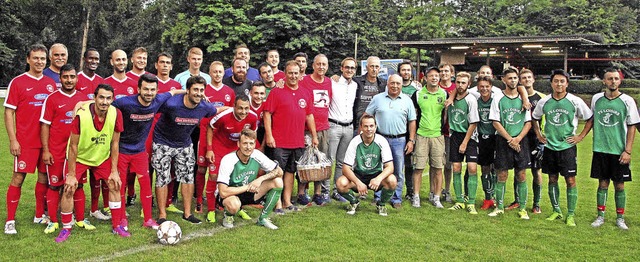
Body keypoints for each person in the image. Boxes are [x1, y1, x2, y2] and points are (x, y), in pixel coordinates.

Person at [55, 84, 128, 242]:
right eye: (101, 97)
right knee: (69, 188)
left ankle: (117, 226)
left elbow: (115, 143)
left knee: (115, 184)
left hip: (101, 157)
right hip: (80, 156)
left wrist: (114, 170)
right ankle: (66, 227)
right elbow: (73, 145)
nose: (104, 101)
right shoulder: (81, 115)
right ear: (94, 98)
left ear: (112, 99)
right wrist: (72, 174)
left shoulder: (116, 114)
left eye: (108, 98)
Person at [112, 73, 184, 230]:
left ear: (157, 90)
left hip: (140, 151)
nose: (149, 93)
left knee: (145, 184)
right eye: (145, 89)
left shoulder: (158, 100)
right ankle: (122, 218)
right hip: (122, 150)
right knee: (121, 185)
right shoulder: (125, 103)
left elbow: (173, 92)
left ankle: (148, 219)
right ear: (138, 89)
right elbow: (104, 104)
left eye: (152, 89)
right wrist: (85, 102)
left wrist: (187, 92)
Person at [152, 76, 221, 225]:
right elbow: (154, 104)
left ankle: (188, 213)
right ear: (187, 90)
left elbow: (216, 111)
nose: (198, 93)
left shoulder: (205, 107)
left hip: (184, 143)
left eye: (201, 90)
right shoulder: (172, 104)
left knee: (188, 177)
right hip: (162, 141)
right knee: (162, 177)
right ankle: (162, 215)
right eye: (195, 89)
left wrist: (231, 108)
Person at [4, 44, 56, 235]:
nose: (39, 62)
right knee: (18, 178)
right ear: (28, 59)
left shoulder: (50, 84)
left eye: (43, 59)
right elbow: (9, 112)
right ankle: (10, 220)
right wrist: (13, 140)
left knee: (44, 177)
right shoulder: (17, 82)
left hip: (46, 142)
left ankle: (38, 214)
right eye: (35, 58)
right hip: (25, 142)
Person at [531, 69, 592, 226]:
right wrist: (538, 135)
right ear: (551, 83)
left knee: (570, 180)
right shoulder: (544, 102)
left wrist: (580, 136)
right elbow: (534, 118)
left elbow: (590, 118)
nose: (559, 84)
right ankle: (556, 210)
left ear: (567, 83)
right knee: (552, 178)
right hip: (550, 146)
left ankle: (570, 214)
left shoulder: (575, 101)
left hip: (567, 146)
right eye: (556, 81)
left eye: (562, 81)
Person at [40, 64, 92, 234]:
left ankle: (79, 219)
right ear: (60, 79)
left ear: (77, 79)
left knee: (78, 186)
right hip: (56, 151)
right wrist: (46, 150)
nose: (69, 80)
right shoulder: (52, 99)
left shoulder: (84, 99)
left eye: (72, 77)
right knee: (54, 185)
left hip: (77, 152)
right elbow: (45, 126)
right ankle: (53, 221)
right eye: (65, 77)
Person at [587, 68, 639, 230]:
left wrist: (628, 151)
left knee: (619, 185)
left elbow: (632, 126)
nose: (613, 82)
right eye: (610, 79)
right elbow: (592, 120)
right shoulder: (596, 99)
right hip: (600, 149)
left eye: (616, 79)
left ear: (620, 81)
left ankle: (620, 218)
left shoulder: (628, 101)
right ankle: (600, 216)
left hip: (619, 151)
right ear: (604, 81)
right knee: (602, 184)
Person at [264, 60, 318, 211]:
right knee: (277, 173)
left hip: (297, 141)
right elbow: (267, 114)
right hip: (280, 141)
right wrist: (269, 135)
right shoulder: (276, 92)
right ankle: (277, 203)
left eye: (296, 73)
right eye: (290, 73)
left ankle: (287, 201)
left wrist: (314, 136)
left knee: (290, 172)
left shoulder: (305, 93)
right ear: (285, 74)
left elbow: (309, 116)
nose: (293, 76)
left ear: (300, 74)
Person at [365, 74, 416, 208]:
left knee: (398, 170)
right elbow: (367, 115)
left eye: (398, 84)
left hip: (399, 140)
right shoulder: (377, 99)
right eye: (392, 83)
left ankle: (396, 198)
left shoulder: (407, 100)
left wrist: (411, 140)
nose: (395, 86)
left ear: (401, 85)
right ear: (387, 84)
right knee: (378, 169)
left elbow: (412, 121)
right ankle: (378, 196)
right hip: (380, 139)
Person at [205, 95, 258, 223]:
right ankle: (211, 209)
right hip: (219, 147)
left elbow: (252, 134)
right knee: (213, 176)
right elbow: (210, 127)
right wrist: (210, 149)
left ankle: (237, 206)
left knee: (236, 177)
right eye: (240, 108)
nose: (243, 112)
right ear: (234, 106)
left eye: (246, 108)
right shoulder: (224, 116)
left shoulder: (253, 117)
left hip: (236, 148)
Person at [487, 68, 532, 219]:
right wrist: (510, 140)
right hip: (503, 140)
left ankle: (523, 208)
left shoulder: (523, 99)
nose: (513, 80)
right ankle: (499, 207)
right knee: (502, 174)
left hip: (521, 140)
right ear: (504, 80)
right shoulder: (498, 98)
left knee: (522, 174)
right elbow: (495, 122)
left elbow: (528, 122)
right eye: (510, 78)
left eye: (515, 78)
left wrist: (518, 139)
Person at [217, 129, 283, 229]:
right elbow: (223, 192)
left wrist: (261, 179)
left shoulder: (257, 155)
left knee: (278, 182)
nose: (248, 147)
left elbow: (279, 171)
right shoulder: (228, 160)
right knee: (233, 205)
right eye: (245, 143)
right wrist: (248, 186)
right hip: (231, 193)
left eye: (251, 143)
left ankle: (263, 219)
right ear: (238, 144)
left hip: (250, 191)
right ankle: (228, 216)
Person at [194, 61, 235, 215]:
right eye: (214, 72)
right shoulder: (203, 91)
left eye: (220, 72)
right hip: (205, 133)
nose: (217, 74)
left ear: (223, 74)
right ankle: (199, 199)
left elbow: (232, 111)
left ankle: (218, 198)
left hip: (221, 136)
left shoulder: (229, 92)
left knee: (219, 170)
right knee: (201, 168)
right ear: (209, 73)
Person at [336, 115, 396, 216]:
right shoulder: (355, 142)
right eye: (366, 126)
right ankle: (354, 202)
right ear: (361, 127)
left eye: (371, 126)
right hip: (359, 175)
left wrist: (378, 179)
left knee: (392, 180)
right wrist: (358, 183)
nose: (369, 129)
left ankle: (381, 204)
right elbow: (345, 168)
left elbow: (390, 167)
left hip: (376, 176)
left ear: (376, 127)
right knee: (341, 183)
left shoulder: (382, 141)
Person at [298, 54, 332, 205]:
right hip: (305, 128)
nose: (321, 67)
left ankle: (317, 192)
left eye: (324, 64)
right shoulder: (304, 81)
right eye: (318, 64)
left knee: (320, 160)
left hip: (323, 128)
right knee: (305, 160)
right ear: (313, 65)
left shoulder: (330, 82)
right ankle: (301, 192)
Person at [410, 66, 446, 208]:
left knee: (438, 168)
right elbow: (412, 116)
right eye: (431, 75)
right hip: (421, 135)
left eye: (437, 75)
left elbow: (446, 114)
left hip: (437, 136)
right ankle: (416, 196)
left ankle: (436, 197)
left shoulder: (444, 94)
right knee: (418, 168)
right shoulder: (418, 94)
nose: (434, 78)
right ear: (425, 77)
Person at [510, 69, 545, 213]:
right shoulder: (516, 96)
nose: (527, 79)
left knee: (537, 171)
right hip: (520, 137)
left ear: (534, 79)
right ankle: (517, 200)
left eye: (529, 77)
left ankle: (536, 203)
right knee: (519, 169)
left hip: (536, 139)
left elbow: (546, 118)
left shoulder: (542, 97)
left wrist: (543, 137)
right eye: (523, 78)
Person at [446, 72, 480, 214]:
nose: (460, 85)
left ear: (469, 84)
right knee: (456, 167)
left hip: (469, 136)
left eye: (463, 83)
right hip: (455, 135)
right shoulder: (450, 98)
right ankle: (459, 200)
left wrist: (465, 142)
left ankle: (471, 201)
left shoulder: (471, 100)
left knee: (472, 168)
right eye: (458, 82)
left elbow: (473, 123)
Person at [327, 57, 359, 202]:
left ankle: (337, 190)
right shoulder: (332, 82)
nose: (349, 70)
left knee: (342, 162)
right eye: (347, 67)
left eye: (352, 68)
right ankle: (324, 191)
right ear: (341, 68)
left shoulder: (355, 85)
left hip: (349, 127)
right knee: (329, 160)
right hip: (334, 125)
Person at [123, 47, 149, 207]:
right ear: (132, 60)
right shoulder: (125, 78)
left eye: (144, 58)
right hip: (127, 131)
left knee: (144, 167)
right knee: (125, 168)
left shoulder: (151, 79)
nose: (141, 60)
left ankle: (140, 197)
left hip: (147, 128)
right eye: (138, 57)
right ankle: (127, 194)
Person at [398, 61, 422, 201]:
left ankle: (410, 190)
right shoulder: (395, 86)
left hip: (412, 128)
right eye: (403, 70)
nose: (406, 72)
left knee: (409, 162)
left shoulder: (417, 88)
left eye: (408, 70)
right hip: (398, 127)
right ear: (399, 72)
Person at [475, 76, 499, 210]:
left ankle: (494, 196)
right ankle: (487, 197)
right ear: (478, 88)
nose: (484, 89)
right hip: (482, 138)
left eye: (487, 86)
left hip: (495, 138)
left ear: (491, 87)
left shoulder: (496, 101)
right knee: (484, 168)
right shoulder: (476, 101)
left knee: (496, 168)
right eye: (481, 86)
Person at [353, 56, 386, 128]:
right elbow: (344, 79)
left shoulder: (384, 84)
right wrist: (335, 77)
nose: (374, 69)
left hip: (376, 125)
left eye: (377, 67)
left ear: (379, 68)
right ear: (366, 67)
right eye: (372, 66)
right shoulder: (356, 81)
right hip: (358, 124)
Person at [439, 63, 456, 203]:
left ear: (452, 73)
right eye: (441, 71)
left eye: (446, 71)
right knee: (437, 163)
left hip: (452, 132)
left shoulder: (456, 88)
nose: (444, 73)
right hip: (438, 131)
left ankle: (447, 190)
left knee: (449, 164)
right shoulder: (434, 87)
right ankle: (436, 190)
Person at [249, 81, 267, 145]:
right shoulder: (245, 106)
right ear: (250, 93)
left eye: (261, 93)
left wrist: (262, 146)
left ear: (265, 94)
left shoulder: (267, 106)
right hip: (247, 135)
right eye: (256, 93)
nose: (259, 96)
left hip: (262, 135)